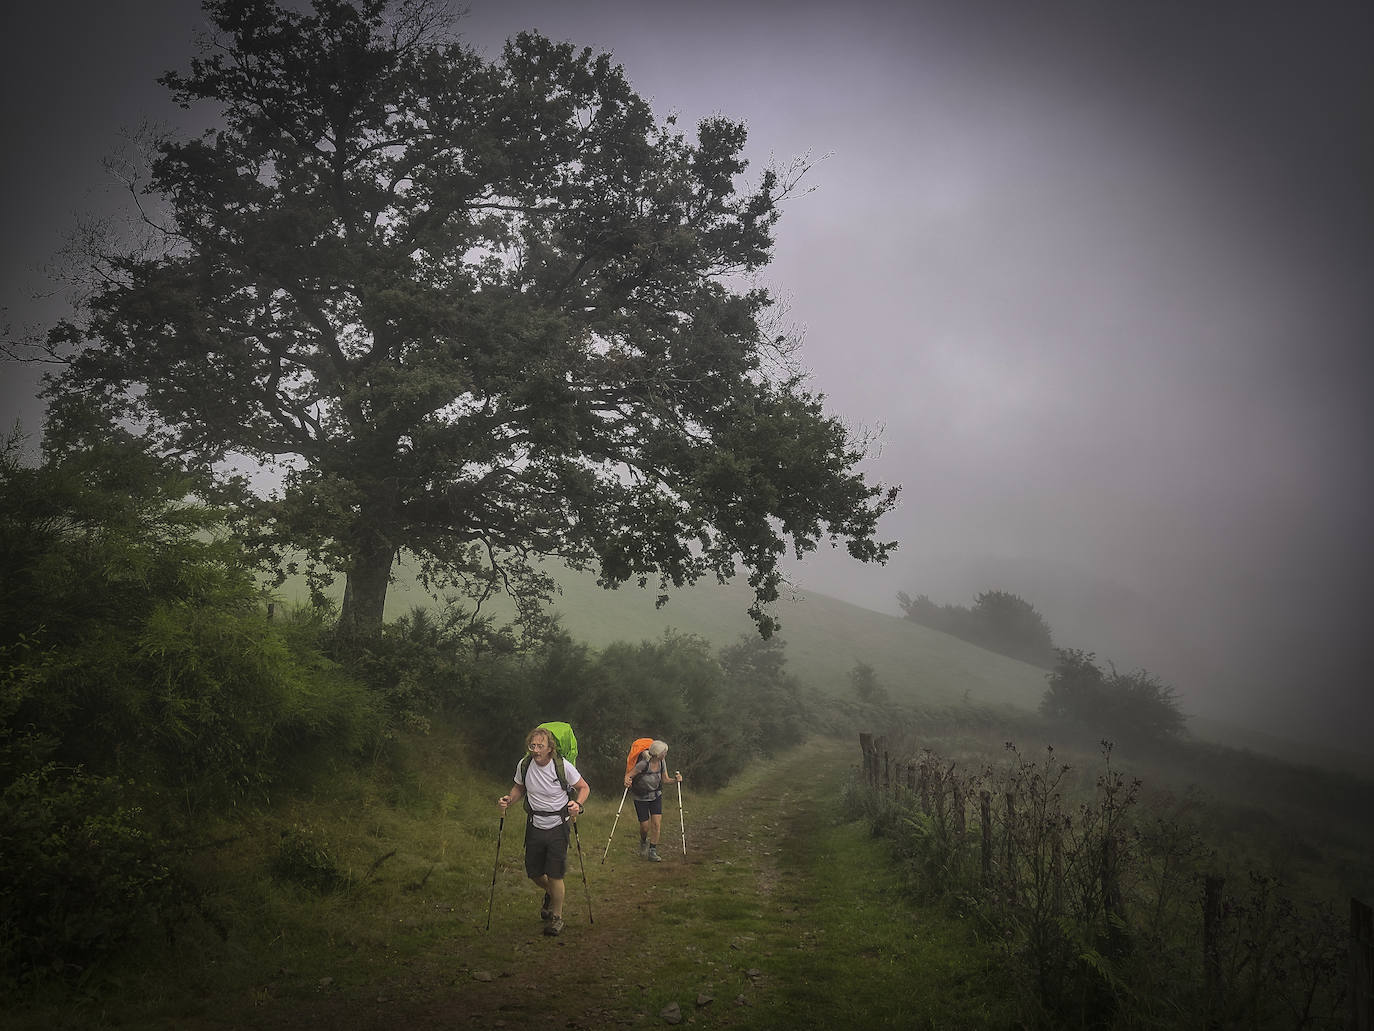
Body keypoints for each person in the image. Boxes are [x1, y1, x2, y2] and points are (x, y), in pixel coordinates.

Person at [498, 726, 590, 936]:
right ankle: (551, 893)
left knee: (555, 874)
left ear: (550, 748)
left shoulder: (563, 766)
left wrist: (577, 804)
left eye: (541, 746)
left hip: (558, 825)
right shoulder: (524, 765)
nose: (536, 750)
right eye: (533, 745)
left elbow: (584, 787)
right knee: (535, 873)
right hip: (535, 824)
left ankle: (557, 918)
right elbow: (519, 787)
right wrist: (509, 800)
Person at [624, 739, 682, 862]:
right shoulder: (643, 764)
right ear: (658, 753)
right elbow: (629, 775)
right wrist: (627, 780)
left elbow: (665, 780)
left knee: (656, 824)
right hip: (641, 797)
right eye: (664, 752)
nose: (665, 754)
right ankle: (643, 841)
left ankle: (652, 851)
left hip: (656, 796)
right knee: (645, 827)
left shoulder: (662, 763)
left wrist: (675, 780)